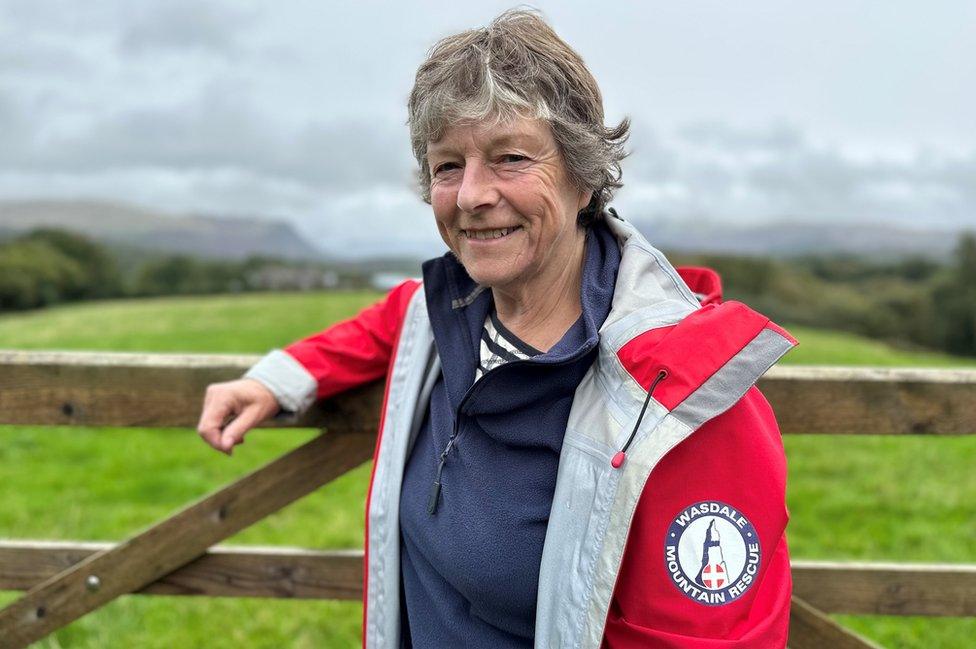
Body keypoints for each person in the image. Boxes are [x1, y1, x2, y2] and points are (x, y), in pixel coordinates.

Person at [196, 9, 796, 648]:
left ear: (582, 176)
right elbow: (389, 321)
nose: (471, 195)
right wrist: (276, 380)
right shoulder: (449, 309)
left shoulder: (678, 401)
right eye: (447, 166)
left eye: (509, 157)